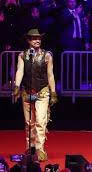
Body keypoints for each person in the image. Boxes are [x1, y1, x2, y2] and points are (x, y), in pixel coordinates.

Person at [12, 29, 58, 161]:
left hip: (42, 92)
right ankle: (30, 148)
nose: (37, 40)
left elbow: (50, 75)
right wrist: (16, 86)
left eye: (39, 38)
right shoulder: (22, 55)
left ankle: (39, 149)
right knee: (29, 122)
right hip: (27, 91)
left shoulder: (47, 55)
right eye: (33, 38)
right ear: (28, 41)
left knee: (40, 121)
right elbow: (20, 71)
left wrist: (53, 92)